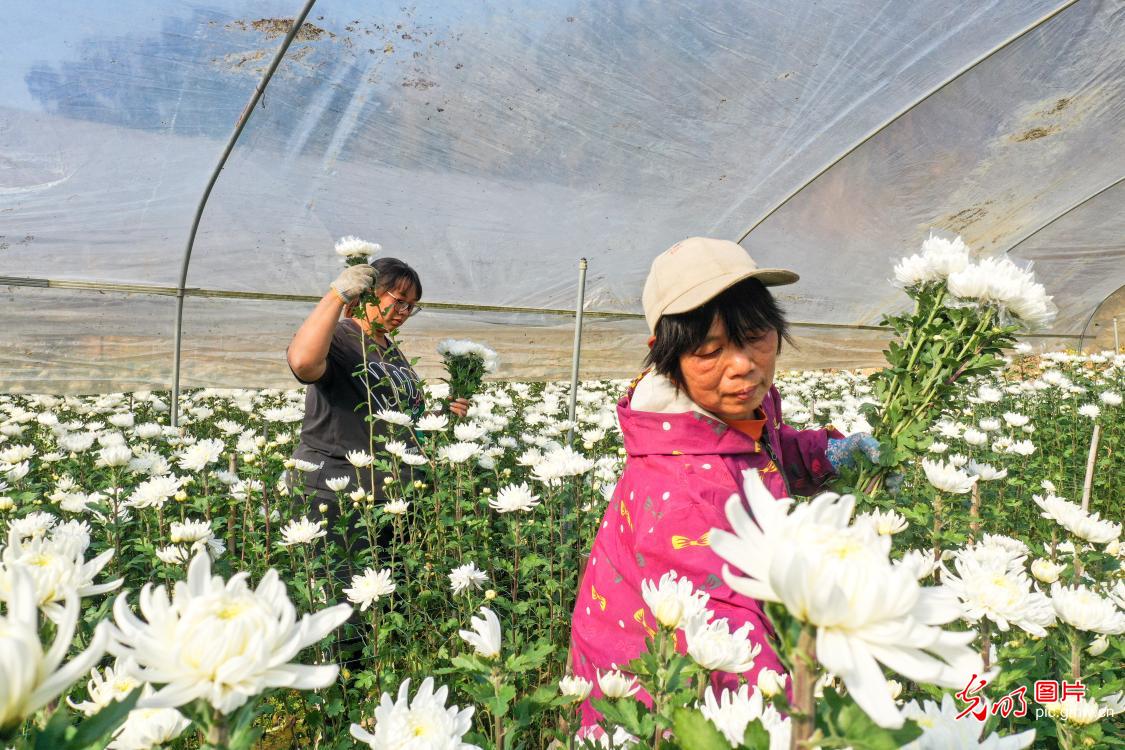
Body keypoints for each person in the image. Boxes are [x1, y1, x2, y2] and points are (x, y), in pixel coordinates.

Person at [568, 237, 880, 728]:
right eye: (711, 350)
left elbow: (764, 451)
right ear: (665, 358)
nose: (743, 365)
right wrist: (797, 721)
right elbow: (722, 625)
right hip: (649, 690)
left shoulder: (736, 407)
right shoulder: (679, 488)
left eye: (756, 336)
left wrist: (827, 454)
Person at [286, 256, 469, 555]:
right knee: (341, 592)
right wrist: (338, 295)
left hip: (390, 498)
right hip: (341, 494)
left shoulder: (389, 348)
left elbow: (400, 420)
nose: (404, 312)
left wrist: (441, 417)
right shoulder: (342, 338)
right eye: (399, 301)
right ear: (369, 292)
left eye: (412, 306)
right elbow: (303, 363)